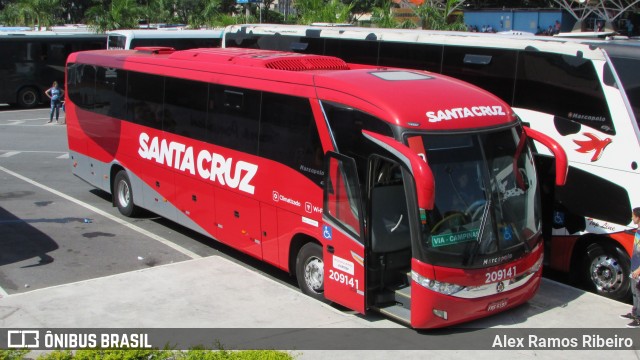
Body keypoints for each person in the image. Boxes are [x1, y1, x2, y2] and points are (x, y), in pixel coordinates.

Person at [621, 207, 640, 328]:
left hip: (638, 268)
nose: (632, 218)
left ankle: (638, 318)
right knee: (634, 292)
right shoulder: (638, 230)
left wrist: (638, 270)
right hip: (634, 265)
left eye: (633, 216)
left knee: (639, 293)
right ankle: (634, 313)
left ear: (638, 218)